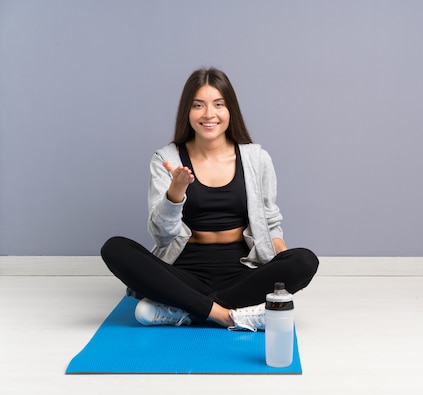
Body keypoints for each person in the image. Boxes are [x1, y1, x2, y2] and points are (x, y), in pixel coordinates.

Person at [100, 67, 318, 331]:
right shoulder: (166, 159)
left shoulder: (257, 158)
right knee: (115, 248)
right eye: (198, 105)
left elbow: (271, 223)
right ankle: (228, 316)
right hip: (184, 272)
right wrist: (176, 190)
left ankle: (186, 309)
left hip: (242, 272)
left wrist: (284, 262)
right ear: (187, 112)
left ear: (230, 110)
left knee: (305, 260)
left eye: (218, 104)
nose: (208, 114)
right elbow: (162, 236)